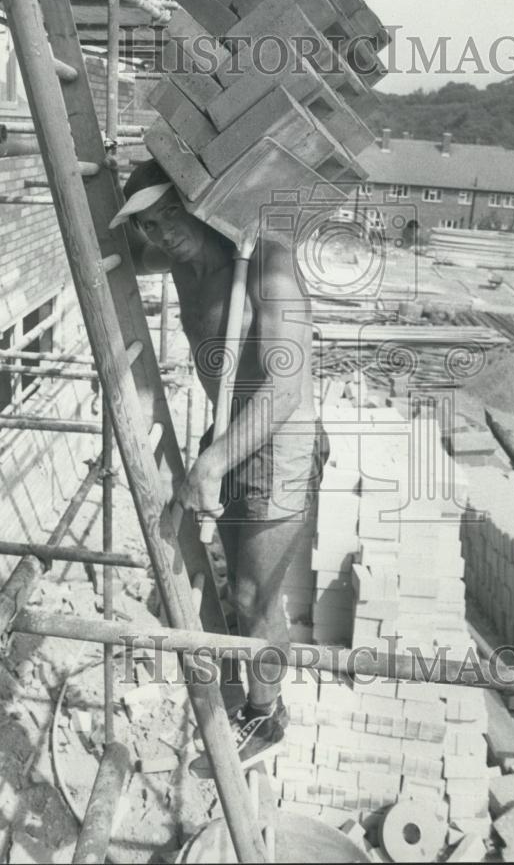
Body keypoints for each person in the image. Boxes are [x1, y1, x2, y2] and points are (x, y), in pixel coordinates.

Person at [110, 159, 329, 769]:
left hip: (278, 440)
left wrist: (213, 461)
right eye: (151, 225)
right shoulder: (180, 259)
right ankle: (248, 680)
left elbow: (285, 388)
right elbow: (120, 249)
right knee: (238, 585)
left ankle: (265, 717)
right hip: (230, 433)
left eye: (171, 214)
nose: (162, 232)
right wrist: (108, 178)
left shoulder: (267, 261)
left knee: (260, 596)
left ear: (202, 201)